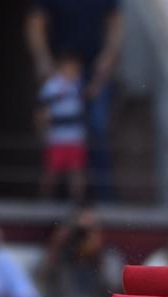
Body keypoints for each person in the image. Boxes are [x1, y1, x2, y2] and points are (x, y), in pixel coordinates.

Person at [27, 0, 123, 201]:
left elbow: (115, 23)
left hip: (94, 70)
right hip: (61, 69)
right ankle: (53, 201)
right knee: (56, 139)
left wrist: (107, 59)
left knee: (97, 129)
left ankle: (103, 199)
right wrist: (44, 63)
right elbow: (35, 24)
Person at [40, 207, 123, 297]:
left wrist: (98, 260)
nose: (85, 237)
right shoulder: (60, 259)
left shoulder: (109, 259)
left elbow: (116, 292)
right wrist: (56, 245)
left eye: (91, 231)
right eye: (81, 233)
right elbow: (40, 285)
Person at [37, 50, 88, 203]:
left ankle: (78, 204)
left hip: (75, 138)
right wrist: (43, 132)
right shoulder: (51, 86)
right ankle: (44, 201)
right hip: (57, 138)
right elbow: (41, 112)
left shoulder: (78, 84)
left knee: (77, 173)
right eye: (72, 67)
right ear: (63, 66)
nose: (75, 70)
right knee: (51, 174)